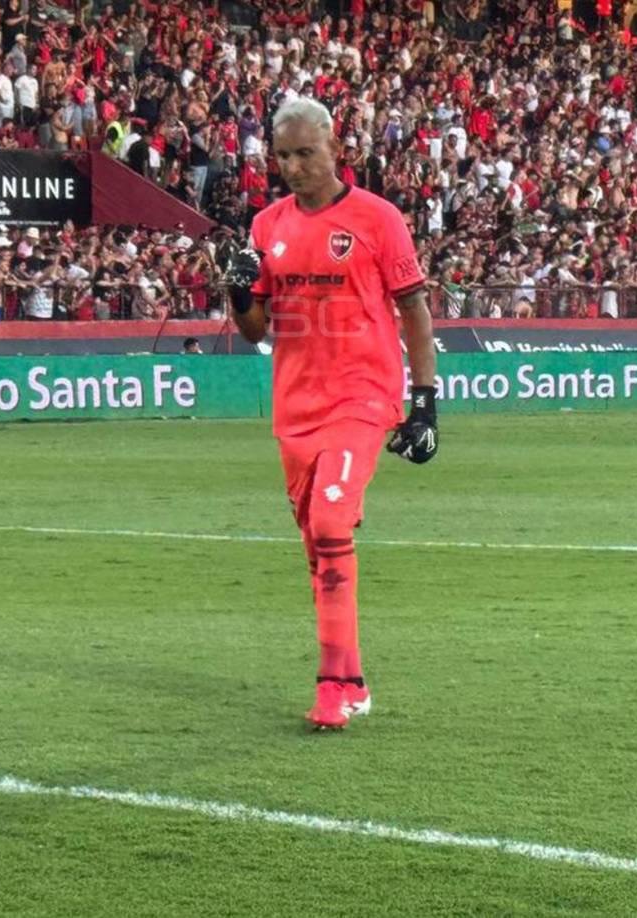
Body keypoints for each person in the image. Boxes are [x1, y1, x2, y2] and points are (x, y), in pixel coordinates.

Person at [224, 98, 438, 730]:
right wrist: (239, 292)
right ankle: (353, 676)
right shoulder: (267, 226)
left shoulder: (379, 218)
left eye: (304, 153)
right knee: (318, 547)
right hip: (295, 406)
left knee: (330, 520)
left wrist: (423, 402)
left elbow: (415, 310)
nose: (292, 166)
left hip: (363, 396)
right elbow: (255, 332)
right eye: (282, 156)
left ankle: (329, 687)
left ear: (335, 148)